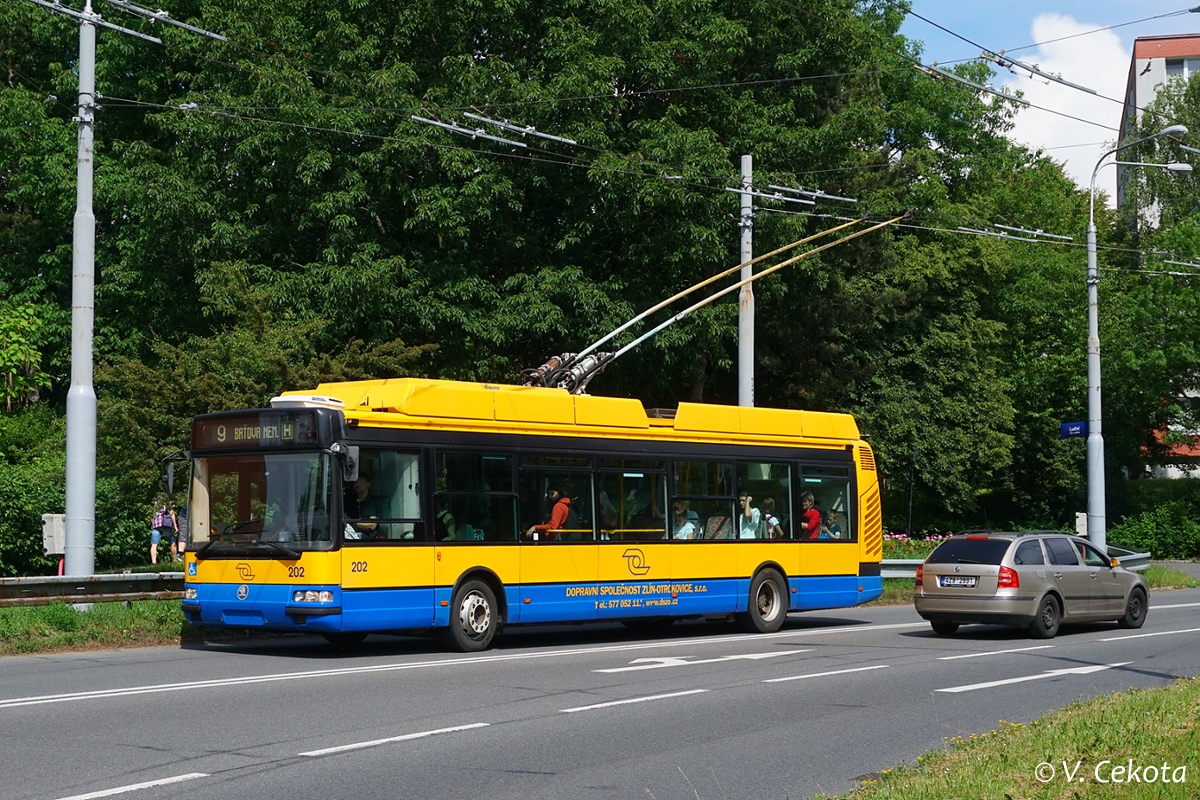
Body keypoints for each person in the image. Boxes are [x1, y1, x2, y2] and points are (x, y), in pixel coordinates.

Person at [345, 473, 384, 538]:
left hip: (367, 539)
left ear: (368, 484)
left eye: (361, 482)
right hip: (349, 536)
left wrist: (353, 523)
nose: (357, 485)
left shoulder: (373, 501)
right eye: (355, 483)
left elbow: (372, 525)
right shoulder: (349, 501)